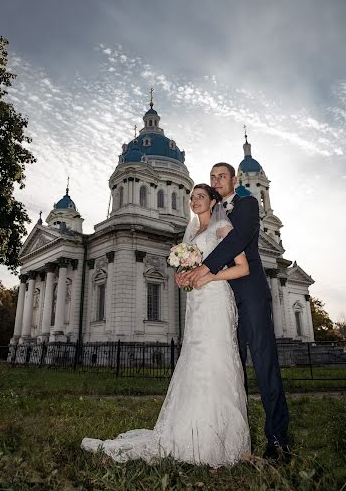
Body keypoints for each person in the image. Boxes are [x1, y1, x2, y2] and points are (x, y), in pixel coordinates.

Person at [81, 184, 251, 467]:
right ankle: (189, 429)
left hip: (216, 300)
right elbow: (190, 268)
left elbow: (242, 268)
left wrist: (209, 277)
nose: (195, 201)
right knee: (194, 361)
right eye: (192, 197)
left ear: (213, 202)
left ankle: (219, 436)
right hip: (196, 303)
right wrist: (183, 277)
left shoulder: (222, 228)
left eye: (200, 197)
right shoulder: (191, 234)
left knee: (216, 360)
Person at [178, 164, 289, 460]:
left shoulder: (247, 204)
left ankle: (278, 438)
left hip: (249, 294)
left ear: (234, 180)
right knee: (229, 368)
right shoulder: (212, 215)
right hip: (221, 300)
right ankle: (233, 436)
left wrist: (205, 268)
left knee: (264, 364)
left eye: (221, 176)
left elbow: (238, 239)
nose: (216, 181)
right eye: (212, 177)